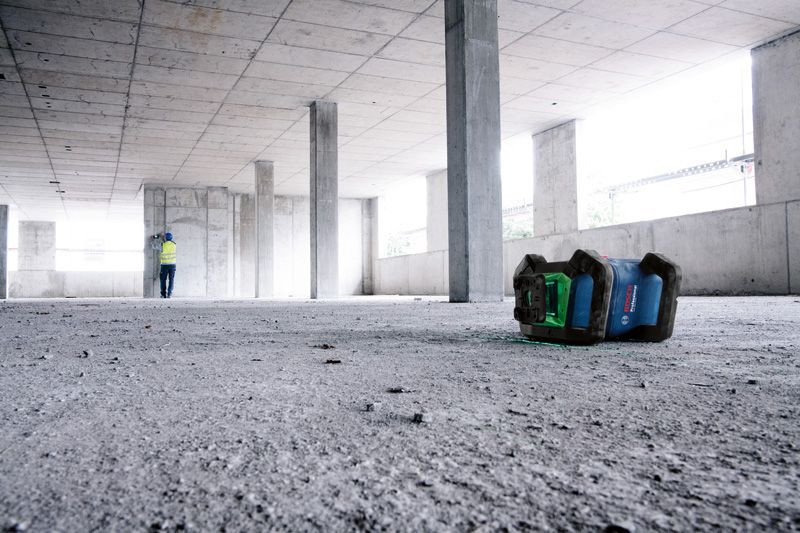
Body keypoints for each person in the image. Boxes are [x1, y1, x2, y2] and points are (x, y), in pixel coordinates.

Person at [159, 232, 176, 298]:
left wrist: (153, 239)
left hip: (164, 265)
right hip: (172, 265)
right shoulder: (174, 245)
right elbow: (169, 243)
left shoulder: (162, 245)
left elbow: (153, 246)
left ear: (165, 238)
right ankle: (169, 294)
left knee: (163, 280)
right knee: (171, 279)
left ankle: (163, 294)